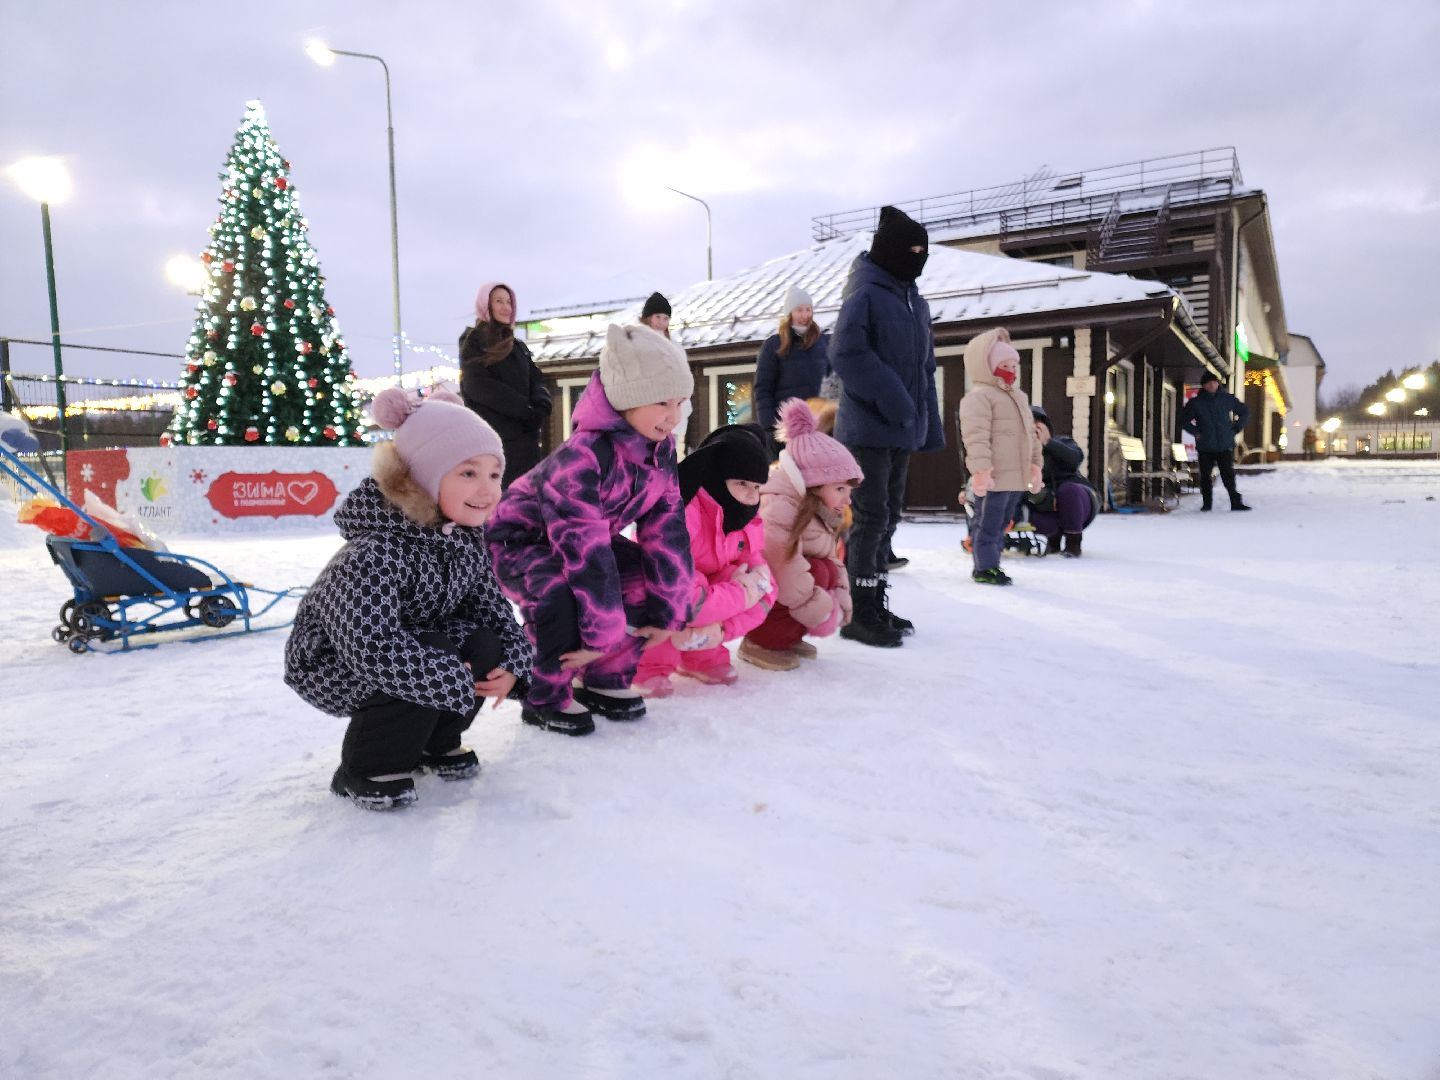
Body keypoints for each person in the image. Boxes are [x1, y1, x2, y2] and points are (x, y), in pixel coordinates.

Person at [284, 388, 533, 811]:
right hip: (333, 659)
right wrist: (451, 676)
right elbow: (371, 644)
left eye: (494, 474)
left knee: (483, 642)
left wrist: (512, 663)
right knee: (430, 652)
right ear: (421, 478)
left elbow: (493, 611)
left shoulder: (463, 541)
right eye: (468, 473)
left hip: (414, 645)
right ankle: (366, 767)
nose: (488, 489)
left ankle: (434, 743)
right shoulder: (374, 552)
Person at [486, 323, 697, 735]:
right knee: (560, 595)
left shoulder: (661, 450)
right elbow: (583, 549)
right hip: (519, 541)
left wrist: (667, 609)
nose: (672, 417)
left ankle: (604, 679)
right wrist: (600, 634)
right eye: (660, 403)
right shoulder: (583, 457)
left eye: (680, 403)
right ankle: (544, 694)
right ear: (626, 399)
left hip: (583, 539)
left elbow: (667, 529)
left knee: (636, 579)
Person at [829, 205, 943, 644]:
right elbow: (847, 354)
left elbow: (925, 367)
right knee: (871, 518)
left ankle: (876, 603)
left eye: (923, 250)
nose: (918, 257)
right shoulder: (865, 293)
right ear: (891, 251)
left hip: (900, 427)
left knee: (890, 516)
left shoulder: (914, 300)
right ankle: (859, 614)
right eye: (911, 249)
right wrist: (895, 400)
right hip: (869, 427)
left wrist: (924, 421)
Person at [634, 424, 775, 696]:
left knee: (746, 578)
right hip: (661, 585)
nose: (751, 494)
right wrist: (744, 591)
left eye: (757, 486)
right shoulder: (684, 512)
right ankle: (648, 666)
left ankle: (702, 652)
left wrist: (721, 629)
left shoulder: (745, 517)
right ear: (715, 476)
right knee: (669, 598)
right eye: (741, 483)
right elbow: (680, 594)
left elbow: (761, 574)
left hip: (705, 591)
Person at [740, 398, 864, 669]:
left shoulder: (818, 511)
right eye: (840, 489)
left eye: (849, 491)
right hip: (757, 588)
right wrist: (818, 607)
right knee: (817, 573)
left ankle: (784, 638)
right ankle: (760, 641)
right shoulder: (780, 505)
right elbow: (780, 566)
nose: (847, 500)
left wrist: (840, 600)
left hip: (788, 591)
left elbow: (833, 561)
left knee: (824, 570)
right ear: (814, 484)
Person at [958, 328, 1043, 586]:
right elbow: (976, 437)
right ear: (986, 367)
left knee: (1003, 523)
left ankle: (991, 563)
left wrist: (1035, 463)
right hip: (995, 477)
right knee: (988, 523)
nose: (1011, 370)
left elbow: (1030, 434)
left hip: (1015, 477)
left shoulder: (1019, 397)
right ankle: (985, 567)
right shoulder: (979, 398)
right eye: (1004, 365)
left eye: (1014, 364)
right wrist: (981, 470)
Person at [459, 282, 553, 489]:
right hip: (495, 441)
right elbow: (478, 386)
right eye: (498, 301)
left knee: (526, 502)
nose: (505, 307)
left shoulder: (517, 346)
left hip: (526, 441)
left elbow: (536, 378)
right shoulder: (474, 342)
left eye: (509, 302)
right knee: (500, 503)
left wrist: (541, 404)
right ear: (486, 305)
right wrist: (523, 409)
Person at [753, 285, 831, 458]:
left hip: (819, 428)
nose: (805, 315)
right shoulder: (773, 345)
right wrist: (771, 427)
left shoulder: (824, 343)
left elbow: (835, 383)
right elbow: (763, 389)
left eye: (808, 310)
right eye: (799, 310)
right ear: (789, 313)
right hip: (786, 431)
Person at [1025, 405, 1100, 558]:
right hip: (1045, 502)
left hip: (1078, 500)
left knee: (1068, 490)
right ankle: (1052, 541)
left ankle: (1073, 543)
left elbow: (1075, 459)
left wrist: (1048, 443)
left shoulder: (1062, 441)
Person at [1180, 372, 1251, 511]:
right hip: (1205, 446)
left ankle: (1235, 503)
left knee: (1228, 475)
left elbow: (1244, 411)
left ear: (1218, 383)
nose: (1211, 385)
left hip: (1224, 444)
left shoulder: (1226, 399)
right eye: (1208, 383)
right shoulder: (1196, 403)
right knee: (1205, 477)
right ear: (1204, 386)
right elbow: (1183, 420)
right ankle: (1207, 504)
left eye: (1214, 382)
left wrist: (1236, 427)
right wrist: (1196, 432)